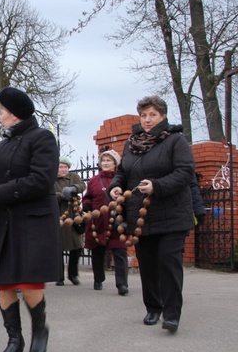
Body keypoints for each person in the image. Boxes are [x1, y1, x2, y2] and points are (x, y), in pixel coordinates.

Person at [0, 87, 59, 352]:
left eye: (1, 111)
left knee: (30, 281)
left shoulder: (42, 138)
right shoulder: (6, 143)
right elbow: (1, 179)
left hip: (32, 221)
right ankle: (14, 339)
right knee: (4, 282)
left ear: (14, 113)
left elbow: (41, 180)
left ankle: (39, 330)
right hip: (6, 219)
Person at [109, 96, 195, 334]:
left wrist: (157, 185)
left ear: (163, 117)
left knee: (168, 263)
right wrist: (115, 186)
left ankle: (171, 314)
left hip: (171, 214)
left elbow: (185, 172)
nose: (147, 120)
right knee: (147, 265)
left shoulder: (175, 141)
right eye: (144, 115)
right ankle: (153, 308)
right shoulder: (132, 142)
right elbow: (123, 172)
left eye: (152, 115)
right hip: (141, 216)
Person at [82, 149, 129, 295]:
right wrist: (87, 205)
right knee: (97, 251)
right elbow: (87, 196)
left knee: (120, 251)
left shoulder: (122, 180)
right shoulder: (94, 181)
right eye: (104, 160)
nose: (106, 163)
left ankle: (122, 284)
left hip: (116, 219)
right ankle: (98, 279)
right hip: (98, 220)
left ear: (115, 163)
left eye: (109, 160)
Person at [54, 156, 86, 285]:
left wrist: (73, 189)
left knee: (76, 246)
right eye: (60, 167)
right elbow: (47, 195)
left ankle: (73, 274)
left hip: (74, 215)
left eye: (65, 167)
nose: (63, 170)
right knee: (58, 248)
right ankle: (59, 276)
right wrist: (61, 195)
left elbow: (82, 185)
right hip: (58, 215)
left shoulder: (74, 176)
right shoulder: (51, 180)